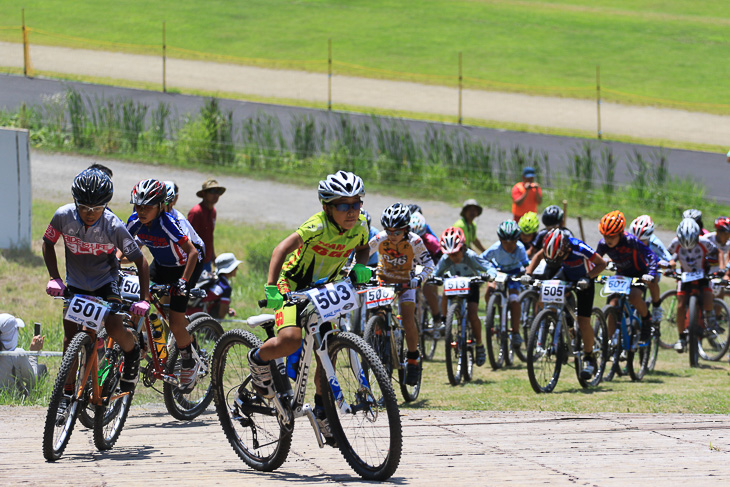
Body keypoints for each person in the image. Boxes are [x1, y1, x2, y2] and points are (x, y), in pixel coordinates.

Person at [248, 170, 372, 444]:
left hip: (325, 289)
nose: (351, 211)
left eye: (356, 203)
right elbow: (280, 249)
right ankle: (258, 359)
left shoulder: (361, 225)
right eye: (343, 205)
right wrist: (271, 286)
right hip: (291, 285)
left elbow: (364, 247)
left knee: (329, 350)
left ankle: (323, 410)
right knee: (291, 340)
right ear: (327, 207)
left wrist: (361, 265)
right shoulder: (316, 226)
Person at [43, 168, 150, 396]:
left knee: (112, 327)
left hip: (105, 283)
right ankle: (67, 392)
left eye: (97, 209)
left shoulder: (114, 226)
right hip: (76, 283)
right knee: (69, 338)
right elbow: (48, 243)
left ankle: (132, 352)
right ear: (75, 202)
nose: (90, 214)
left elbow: (142, 262)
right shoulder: (63, 216)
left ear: (106, 205)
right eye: (84, 207)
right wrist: (55, 277)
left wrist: (144, 299)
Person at [124, 179, 203, 393]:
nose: (141, 211)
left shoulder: (169, 222)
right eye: (137, 206)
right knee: (136, 300)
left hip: (187, 264)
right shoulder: (135, 220)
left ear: (160, 206)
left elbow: (193, 253)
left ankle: (188, 361)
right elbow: (122, 249)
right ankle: (139, 343)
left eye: (147, 207)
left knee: (176, 321)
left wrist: (184, 282)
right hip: (161, 264)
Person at [523, 229, 607, 379]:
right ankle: (561, 324)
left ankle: (589, 358)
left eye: (557, 258)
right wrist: (528, 274)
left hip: (584, 279)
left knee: (583, 321)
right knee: (544, 298)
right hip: (566, 275)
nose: (554, 261)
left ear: (565, 249)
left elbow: (602, 263)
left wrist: (588, 277)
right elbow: (537, 256)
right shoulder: (552, 247)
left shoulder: (579, 248)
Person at [368, 203, 435, 385]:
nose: (392, 235)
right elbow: (364, 253)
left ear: (406, 229)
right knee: (374, 313)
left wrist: (420, 279)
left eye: (396, 232)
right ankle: (378, 340)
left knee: (407, 318)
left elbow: (429, 265)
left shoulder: (415, 241)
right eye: (388, 231)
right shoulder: (380, 238)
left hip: (406, 283)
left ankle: (413, 357)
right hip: (384, 281)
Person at [433, 227, 497, 367]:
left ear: (462, 248)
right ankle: (445, 321)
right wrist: (432, 278)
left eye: (456, 253)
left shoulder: (471, 256)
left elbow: (488, 267)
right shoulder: (445, 259)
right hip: (453, 285)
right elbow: (435, 272)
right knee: (444, 293)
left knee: (473, 314)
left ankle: (479, 345)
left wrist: (491, 275)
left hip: (471, 284)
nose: (453, 257)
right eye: (450, 255)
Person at [595, 210, 661, 345]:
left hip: (639, 274)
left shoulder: (631, 241)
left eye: (612, 236)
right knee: (613, 303)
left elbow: (651, 256)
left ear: (620, 234)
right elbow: (595, 260)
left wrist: (651, 273)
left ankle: (647, 320)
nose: (608, 239)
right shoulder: (603, 244)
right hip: (622, 274)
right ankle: (610, 341)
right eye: (605, 235)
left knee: (635, 296)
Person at [668, 219, 719, 352]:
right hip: (685, 276)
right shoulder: (675, 243)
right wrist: (670, 263)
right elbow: (667, 255)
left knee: (708, 298)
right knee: (680, 306)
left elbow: (715, 254)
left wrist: (712, 265)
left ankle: (711, 324)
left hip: (702, 275)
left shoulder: (705, 243)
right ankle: (681, 338)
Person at [481, 220, 530, 358]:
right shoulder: (495, 248)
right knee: (490, 288)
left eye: (512, 242)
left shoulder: (520, 248)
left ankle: (515, 332)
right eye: (505, 243)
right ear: (500, 240)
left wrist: (525, 275)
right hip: (499, 272)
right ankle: (490, 312)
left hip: (514, 273)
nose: (509, 246)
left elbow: (527, 266)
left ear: (517, 240)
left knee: (514, 299)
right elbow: (481, 260)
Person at [0, 314, 47, 396]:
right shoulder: (17, 355)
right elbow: (33, 381)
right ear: (11, 333)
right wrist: (33, 352)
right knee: (42, 369)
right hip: (17, 397)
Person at [410, 211, 444, 324]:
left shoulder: (432, 241)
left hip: (430, 268)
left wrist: (437, 273)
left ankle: (437, 318)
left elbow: (441, 259)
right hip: (414, 268)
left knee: (428, 289)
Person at [188, 253, 242, 319]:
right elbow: (221, 315)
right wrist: (225, 310)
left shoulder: (213, 279)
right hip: (199, 318)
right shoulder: (225, 287)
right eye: (235, 267)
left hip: (187, 312)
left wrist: (227, 309)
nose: (237, 269)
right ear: (230, 270)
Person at [188, 179, 226, 273]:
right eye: (212, 191)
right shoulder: (196, 212)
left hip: (207, 259)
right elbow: (188, 237)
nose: (216, 195)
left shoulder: (213, 211)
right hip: (196, 260)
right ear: (204, 194)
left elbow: (210, 235)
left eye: (218, 192)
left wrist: (212, 254)